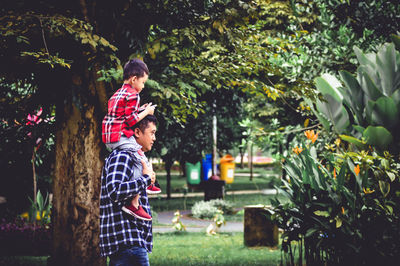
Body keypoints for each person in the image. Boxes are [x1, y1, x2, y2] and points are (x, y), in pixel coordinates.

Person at [102, 58, 160, 221]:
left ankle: (146, 185)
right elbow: (129, 121)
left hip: (110, 137)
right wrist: (147, 112)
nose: (142, 87)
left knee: (137, 156)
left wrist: (141, 110)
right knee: (139, 157)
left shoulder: (117, 94)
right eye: (143, 82)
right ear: (134, 79)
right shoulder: (133, 95)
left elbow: (124, 115)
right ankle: (135, 201)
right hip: (120, 135)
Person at [100, 115, 157, 265]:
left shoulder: (134, 158)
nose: (154, 138)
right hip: (127, 242)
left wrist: (147, 181)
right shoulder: (123, 156)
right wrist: (145, 179)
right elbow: (114, 189)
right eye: (152, 132)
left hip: (131, 242)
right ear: (137, 132)